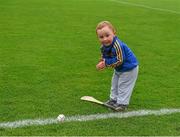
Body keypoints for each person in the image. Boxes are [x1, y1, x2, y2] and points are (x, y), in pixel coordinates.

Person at [96, 21, 139, 111]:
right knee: (114, 83)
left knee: (123, 85)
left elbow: (120, 60)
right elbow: (104, 57)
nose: (105, 39)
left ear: (114, 33)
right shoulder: (103, 47)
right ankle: (113, 100)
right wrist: (102, 63)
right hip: (119, 68)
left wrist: (106, 63)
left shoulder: (117, 45)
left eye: (107, 35)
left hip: (129, 68)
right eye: (101, 37)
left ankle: (122, 104)